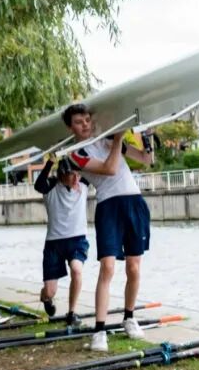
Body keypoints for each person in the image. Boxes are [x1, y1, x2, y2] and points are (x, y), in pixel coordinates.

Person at [63, 104, 155, 352]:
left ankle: (129, 317)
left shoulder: (107, 140)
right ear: (70, 127)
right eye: (79, 122)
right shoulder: (74, 153)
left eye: (87, 120)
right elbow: (109, 168)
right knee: (108, 267)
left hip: (133, 202)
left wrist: (147, 138)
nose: (85, 124)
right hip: (109, 206)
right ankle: (100, 330)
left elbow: (147, 160)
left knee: (134, 267)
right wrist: (117, 139)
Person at [34, 156, 89, 325]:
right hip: (54, 243)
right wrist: (50, 161)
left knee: (77, 270)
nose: (76, 178)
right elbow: (38, 185)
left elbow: (96, 166)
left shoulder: (84, 184)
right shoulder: (50, 187)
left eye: (77, 174)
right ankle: (46, 299)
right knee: (50, 291)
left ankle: (71, 313)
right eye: (72, 175)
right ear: (61, 175)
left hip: (77, 239)